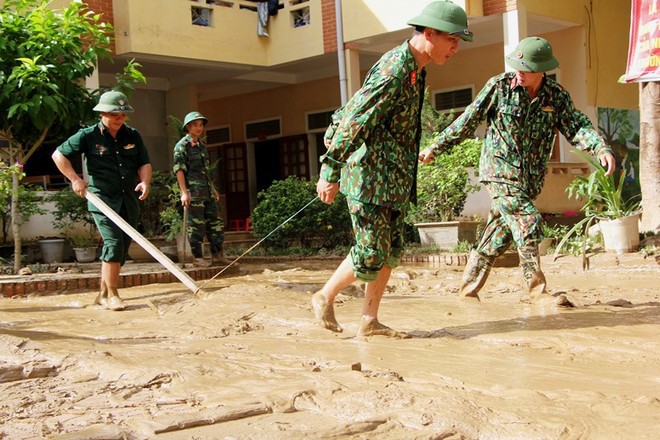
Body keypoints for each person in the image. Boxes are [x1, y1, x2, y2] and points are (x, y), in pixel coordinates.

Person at [312, 0, 473, 337]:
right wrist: (330, 171)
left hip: (393, 180)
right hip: (369, 179)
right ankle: (325, 295)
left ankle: (369, 321)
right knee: (371, 252)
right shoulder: (395, 69)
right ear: (430, 33)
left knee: (389, 252)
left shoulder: (417, 69)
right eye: (453, 40)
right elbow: (355, 118)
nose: (455, 48)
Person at [418, 36, 616, 306]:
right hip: (498, 170)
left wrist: (600, 148)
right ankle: (537, 291)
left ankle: (466, 292)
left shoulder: (555, 96)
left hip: (528, 179)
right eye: (516, 67)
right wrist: (435, 147)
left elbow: (576, 126)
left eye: (525, 69)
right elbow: (467, 121)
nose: (518, 73)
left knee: (497, 236)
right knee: (527, 220)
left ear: (541, 70)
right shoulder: (499, 87)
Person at [52, 90, 152, 311]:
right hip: (102, 200)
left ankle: (102, 294)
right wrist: (75, 179)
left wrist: (145, 182)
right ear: (103, 113)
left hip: (128, 199)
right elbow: (58, 155)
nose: (120, 118)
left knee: (121, 248)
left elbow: (144, 162)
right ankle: (113, 294)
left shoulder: (133, 135)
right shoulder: (87, 135)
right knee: (113, 243)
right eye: (115, 113)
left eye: (123, 114)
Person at [173, 111, 232, 267]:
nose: (199, 128)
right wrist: (184, 192)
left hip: (206, 192)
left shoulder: (202, 145)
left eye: (200, 125)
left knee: (216, 224)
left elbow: (206, 170)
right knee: (197, 226)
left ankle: (217, 255)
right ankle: (197, 258)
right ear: (187, 127)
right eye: (195, 125)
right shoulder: (182, 145)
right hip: (194, 193)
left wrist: (213, 188)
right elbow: (179, 169)